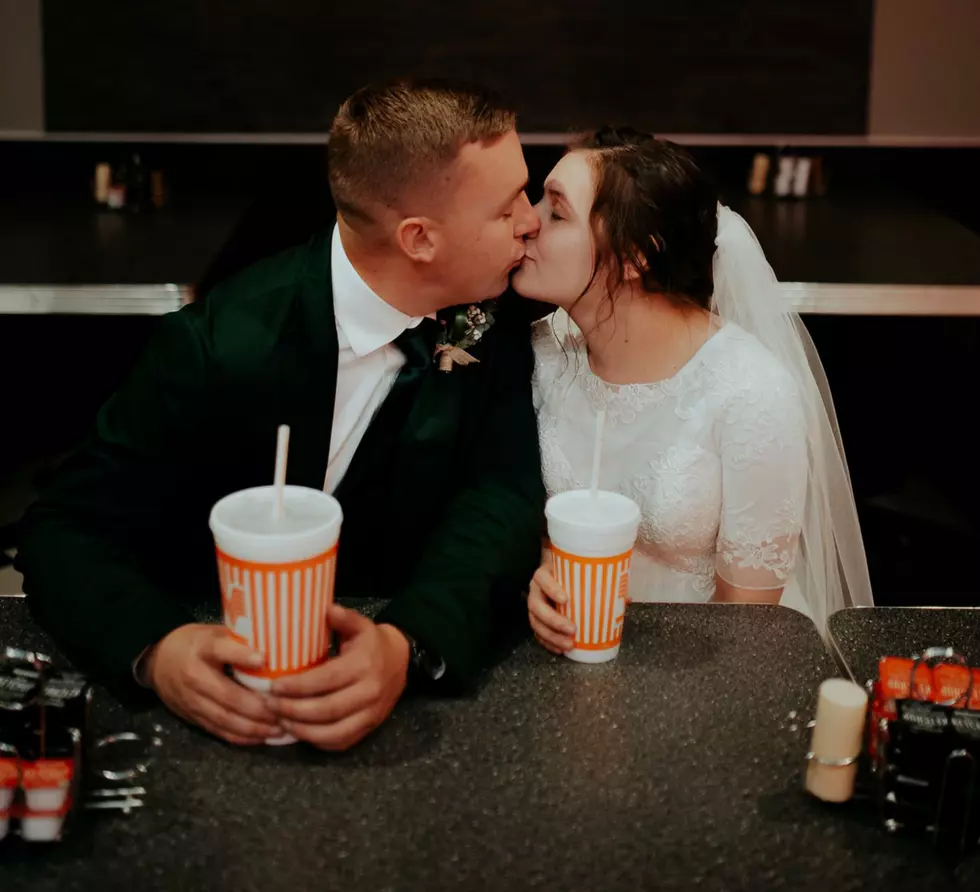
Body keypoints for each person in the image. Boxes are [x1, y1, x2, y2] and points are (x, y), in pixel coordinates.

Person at [16, 79, 545, 750]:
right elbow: (64, 529)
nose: (531, 220)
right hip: (225, 693)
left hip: (405, 712)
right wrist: (160, 651)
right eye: (508, 207)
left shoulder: (490, 317)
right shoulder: (217, 347)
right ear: (419, 239)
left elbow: (498, 495)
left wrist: (407, 643)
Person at [514, 127, 873, 654]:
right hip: (570, 650)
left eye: (557, 211)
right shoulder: (542, 352)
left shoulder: (750, 394)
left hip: (705, 667)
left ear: (636, 255)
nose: (527, 222)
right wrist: (541, 588)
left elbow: (748, 620)